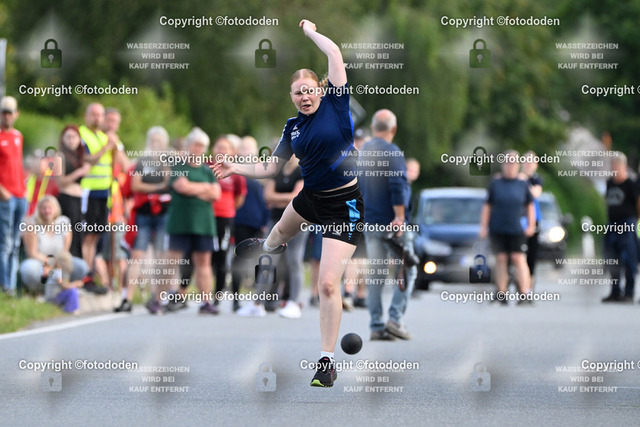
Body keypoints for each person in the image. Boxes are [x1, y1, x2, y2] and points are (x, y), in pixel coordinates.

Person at [213, 19, 363, 388]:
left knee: (326, 285)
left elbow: (334, 52)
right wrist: (234, 166)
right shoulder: (292, 127)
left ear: (320, 90)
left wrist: (310, 32)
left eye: (309, 90)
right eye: (298, 93)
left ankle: (326, 362)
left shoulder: (336, 105)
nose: (304, 97)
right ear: (292, 97)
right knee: (278, 233)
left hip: (344, 205)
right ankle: (266, 248)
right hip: (311, 197)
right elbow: (270, 168)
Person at [359, 109, 416, 341]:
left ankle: (375, 326)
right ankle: (395, 319)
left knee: (376, 275)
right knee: (408, 268)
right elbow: (396, 185)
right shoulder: (392, 152)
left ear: (373, 128)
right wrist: (399, 217)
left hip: (370, 221)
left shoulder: (363, 152)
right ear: (393, 129)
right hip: (392, 224)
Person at [164, 127, 221, 315]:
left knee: (204, 262)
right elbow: (181, 187)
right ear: (188, 145)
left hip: (203, 224)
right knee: (172, 260)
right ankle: (166, 297)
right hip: (180, 222)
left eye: (202, 146)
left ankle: (206, 302)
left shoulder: (208, 171)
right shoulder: (178, 167)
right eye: (195, 145)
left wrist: (194, 187)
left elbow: (216, 193)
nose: (198, 149)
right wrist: (205, 189)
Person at [114, 126, 171, 313]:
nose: (156, 144)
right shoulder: (142, 162)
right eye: (153, 141)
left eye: (159, 141)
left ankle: (158, 298)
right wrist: (157, 187)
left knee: (160, 256)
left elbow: (169, 182)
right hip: (144, 214)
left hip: (163, 214)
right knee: (137, 256)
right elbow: (136, 185)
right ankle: (127, 298)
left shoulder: (168, 161)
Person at [479, 149, 535, 304]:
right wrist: (483, 226)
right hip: (498, 227)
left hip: (516, 228)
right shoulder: (496, 183)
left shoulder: (522, 184)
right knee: (501, 258)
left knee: (518, 258)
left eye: (513, 163)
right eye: (507, 162)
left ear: (518, 165)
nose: (510, 166)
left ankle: (525, 293)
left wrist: (531, 225)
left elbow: (530, 206)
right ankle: (501, 293)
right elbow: (487, 206)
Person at [260, 156, 305, 319]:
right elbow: (267, 196)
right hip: (275, 220)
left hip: (297, 221)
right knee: (267, 260)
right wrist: (286, 199)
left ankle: (293, 302)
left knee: (294, 260)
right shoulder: (276, 171)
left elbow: (297, 197)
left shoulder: (302, 171)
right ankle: (258, 303)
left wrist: (278, 199)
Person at [79, 103, 115, 294]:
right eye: (93, 114)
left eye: (100, 115)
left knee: (95, 236)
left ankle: (90, 275)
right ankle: (84, 275)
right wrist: (106, 148)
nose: (97, 118)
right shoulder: (82, 134)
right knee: (87, 236)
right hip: (89, 191)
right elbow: (88, 159)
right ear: (86, 115)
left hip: (104, 193)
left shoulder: (103, 136)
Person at [230, 136, 270, 312]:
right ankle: (235, 298)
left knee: (260, 260)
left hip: (258, 222)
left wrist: (265, 221)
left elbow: (265, 199)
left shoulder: (261, 172)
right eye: (244, 148)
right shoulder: (235, 171)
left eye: (250, 149)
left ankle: (258, 298)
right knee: (239, 258)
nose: (247, 152)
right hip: (239, 221)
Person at [19, 196, 88, 295]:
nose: (47, 211)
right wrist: (50, 262)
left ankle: (65, 287)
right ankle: (38, 291)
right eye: (44, 208)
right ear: (39, 210)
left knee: (81, 266)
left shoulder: (64, 222)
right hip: (40, 262)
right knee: (29, 269)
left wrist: (57, 265)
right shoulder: (32, 225)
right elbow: (32, 253)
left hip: (60, 261)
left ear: (56, 209)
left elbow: (65, 252)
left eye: (50, 208)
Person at [211, 136, 246, 307]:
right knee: (207, 256)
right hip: (206, 218)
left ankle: (218, 297)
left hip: (225, 219)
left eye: (225, 148)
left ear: (232, 152)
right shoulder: (207, 168)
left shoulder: (235, 173)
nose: (221, 151)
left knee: (222, 256)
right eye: (218, 147)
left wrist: (226, 208)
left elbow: (239, 198)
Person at [601, 152, 639, 303]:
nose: (614, 169)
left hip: (627, 222)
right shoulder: (610, 183)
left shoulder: (631, 184)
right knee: (612, 257)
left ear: (624, 166)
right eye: (613, 166)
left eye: (617, 165)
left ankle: (629, 292)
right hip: (612, 223)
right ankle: (615, 291)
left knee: (629, 257)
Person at [99, 107, 130, 291]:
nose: (111, 125)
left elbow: (127, 167)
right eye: (108, 120)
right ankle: (107, 284)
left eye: (114, 122)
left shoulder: (118, 143)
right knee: (104, 251)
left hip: (116, 205)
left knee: (117, 250)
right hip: (98, 199)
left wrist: (115, 146)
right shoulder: (96, 139)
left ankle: (121, 289)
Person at [0, 96, 27, 294]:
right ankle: (5, 285)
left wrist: (24, 188)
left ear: (16, 114)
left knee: (16, 242)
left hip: (20, 195)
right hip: (6, 196)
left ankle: (11, 286)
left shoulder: (18, 136)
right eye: (4, 113)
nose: (7, 116)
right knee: (5, 242)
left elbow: (18, 164)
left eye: (10, 113)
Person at [55, 126, 91, 259]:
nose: (71, 140)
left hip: (79, 200)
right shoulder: (60, 156)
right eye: (68, 137)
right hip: (66, 199)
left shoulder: (80, 157)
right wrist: (79, 172)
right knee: (69, 236)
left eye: (74, 137)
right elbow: (60, 181)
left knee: (79, 235)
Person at [520, 151, 543, 287]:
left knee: (532, 254)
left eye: (531, 162)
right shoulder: (516, 177)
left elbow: (535, 193)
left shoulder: (536, 179)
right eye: (526, 161)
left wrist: (524, 183)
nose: (528, 165)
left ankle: (529, 286)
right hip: (518, 217)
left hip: (533, 219)